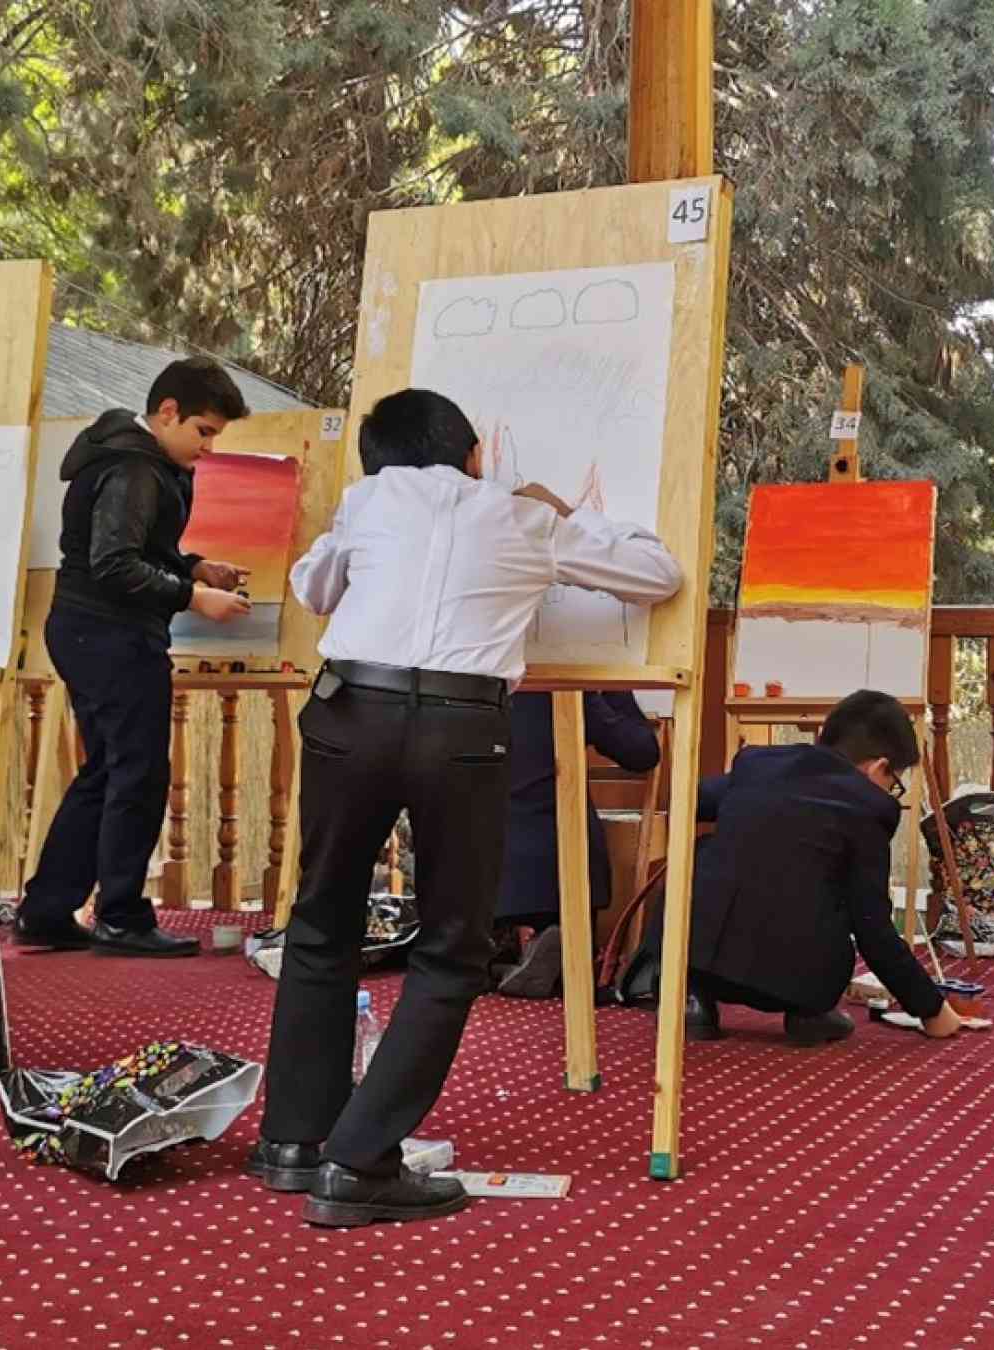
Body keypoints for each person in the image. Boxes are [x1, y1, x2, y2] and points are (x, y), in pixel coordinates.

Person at [249, 388, 683, 1227]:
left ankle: (295, 1144)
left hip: (348, 710)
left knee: (320, 923)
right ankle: (362, 1158)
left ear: (381, 460)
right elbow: (657, 574)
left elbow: (314, 587)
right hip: (459, 726)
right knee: (452, 946)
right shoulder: (518, 517)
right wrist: (566, 514)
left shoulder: (367, 499)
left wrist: (354, 540)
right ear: (475, 454)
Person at [13, 357, 253, 958]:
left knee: (107, 772)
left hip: (89, 631)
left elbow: (138, 549)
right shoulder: (135, 469)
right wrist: (194, 595)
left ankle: (47, 909)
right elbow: (115, 564)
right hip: (111, 634)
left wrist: (192, 565)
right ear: (167, 412)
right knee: (137, 773)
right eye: (203, 431)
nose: (207, 447)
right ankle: (120, 914)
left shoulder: (130, 460)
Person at [674, 691, 965, 1045]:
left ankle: (693, 1003)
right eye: (895, 782)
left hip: (702, 962)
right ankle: (809, 1016)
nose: (891, 791)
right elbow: (874, 932)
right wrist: (932, 1009)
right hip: (794, 984)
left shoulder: (757, 765)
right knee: (836, 897)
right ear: (880, 767)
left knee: (703, 851)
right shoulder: (869, 808)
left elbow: (692, 798)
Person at [488, 689, 660, 998]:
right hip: (564, 869)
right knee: (556, 816)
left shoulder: (475, 665)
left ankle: (499, 950)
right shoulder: (583, 674)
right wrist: (591, 699)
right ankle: (554, 947)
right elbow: (642, 753)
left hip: (475, 863)